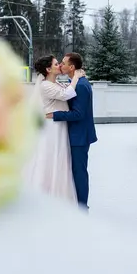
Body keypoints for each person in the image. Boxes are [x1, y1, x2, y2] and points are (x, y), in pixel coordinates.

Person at [23, 55, 85, 203]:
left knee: (59, 158)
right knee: (49, 158)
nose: (60, 66)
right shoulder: (45, 85)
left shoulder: (55, 82)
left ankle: (57, 194)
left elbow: (66, 91)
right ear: (48, 69)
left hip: (58, 125)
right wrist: (76, 77)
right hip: (51, 128)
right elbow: (66, 94)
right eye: (56, 64)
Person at [46, 53, 97, 210]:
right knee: (75, 171)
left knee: (79, 172)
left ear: (72, 67)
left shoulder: (81, 86)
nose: (61, 65)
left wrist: (55, 115)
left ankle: (82, 207)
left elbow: (78, 114)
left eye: (63, 63)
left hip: (80, 136)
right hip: (76, 134)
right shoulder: (76, 82)